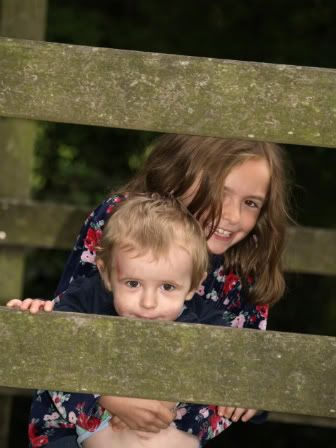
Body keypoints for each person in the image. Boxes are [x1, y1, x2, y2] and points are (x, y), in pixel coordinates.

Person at [8, 134, 291, 447]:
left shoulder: (245, 265)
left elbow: (247, 371)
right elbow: (64, 325)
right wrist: (107, 398)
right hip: (73, 421)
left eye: (251, 203)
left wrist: (164, 417)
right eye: (220, 193)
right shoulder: (124, 223)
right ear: (182, 174)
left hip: (169, 432)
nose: (234, 216)